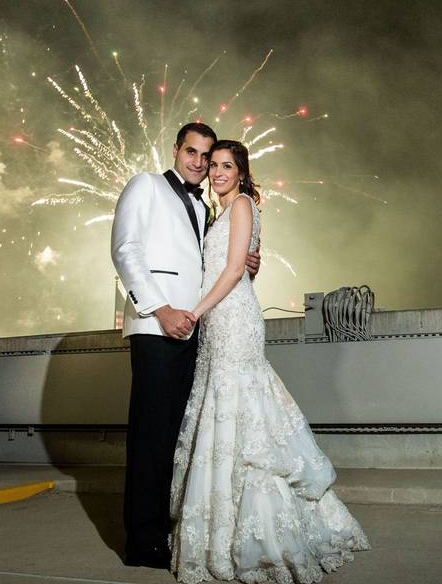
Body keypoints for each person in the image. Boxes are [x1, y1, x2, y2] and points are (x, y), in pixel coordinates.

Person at [169, 140, 369, 583]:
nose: (217, 171)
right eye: (213, 165)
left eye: (226, 165)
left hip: (232, 319)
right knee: (226, 418)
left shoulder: (240, 205)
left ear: (241, 172)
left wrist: (195, 313)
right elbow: (240, 262)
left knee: (246, 421)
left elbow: (236, 269)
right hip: (219, 322)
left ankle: (259, 538)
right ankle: (224, 530)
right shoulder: (221, 213)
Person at [111, 123, 261, 569]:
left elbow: (210, 264)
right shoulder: (146, 186)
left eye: (208, 156)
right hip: (160, 327)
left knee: (177, 438)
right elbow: (125, 249)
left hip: (196, 329)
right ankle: (143, 543)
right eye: (192, 152)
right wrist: (159, 309)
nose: (199, 163)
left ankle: (166, 529)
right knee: (150, 437)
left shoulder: (207, 209)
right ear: (176, 150)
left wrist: (243, 260)